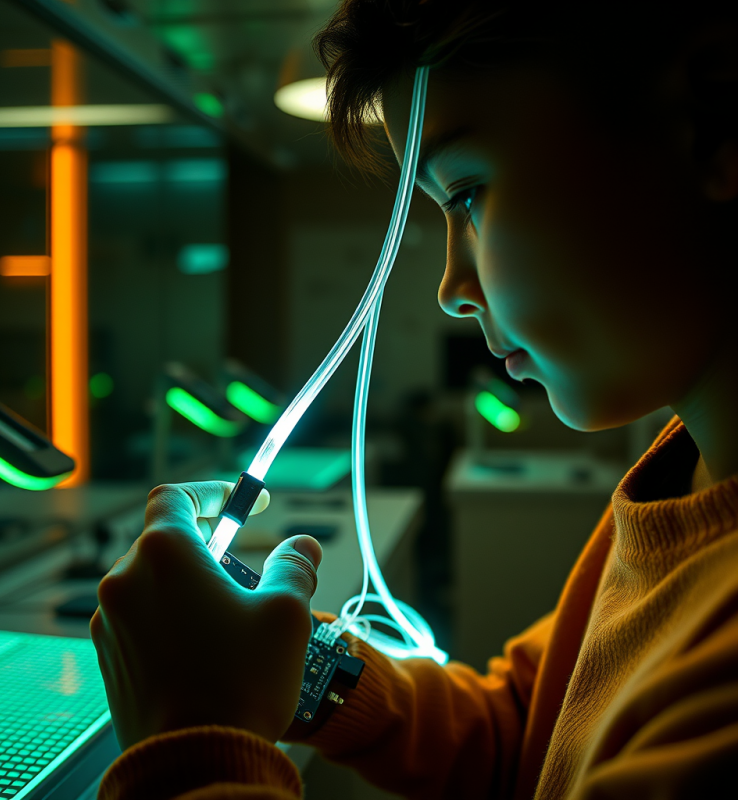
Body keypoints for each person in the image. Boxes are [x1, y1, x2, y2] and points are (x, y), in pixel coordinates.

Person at [91, 2, 738, 797]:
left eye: (467, 193)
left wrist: (193, 742)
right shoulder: (681, 484)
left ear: (713, 117)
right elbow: (526, 730)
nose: (450, 290)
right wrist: (304, 670)